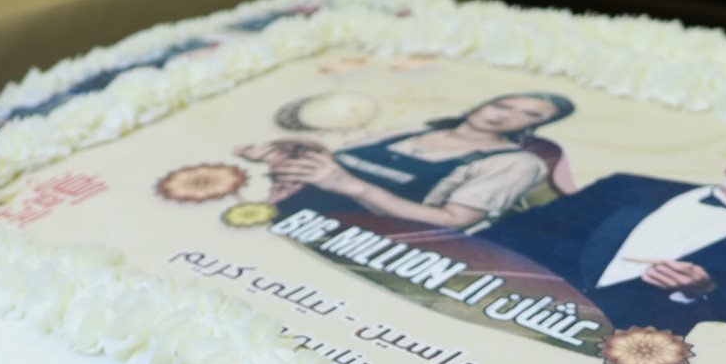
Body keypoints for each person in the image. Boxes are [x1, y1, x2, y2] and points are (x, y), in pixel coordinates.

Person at [476, 156, 726, 336]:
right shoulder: (630, 185)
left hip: (625, 342)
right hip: (507, 303)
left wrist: (702, 291)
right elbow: (527, 229)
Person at [241, 92, 575, 231]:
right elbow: (333, 165)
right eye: (502, 105)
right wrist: (293, 150)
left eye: (529, 114)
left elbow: (454, 221)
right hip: (279, 218)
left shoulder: (515, 163)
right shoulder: (413, 130)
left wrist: (352, 187)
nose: (504, 116)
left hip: (357, 240)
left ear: (538, 126)